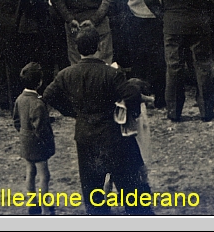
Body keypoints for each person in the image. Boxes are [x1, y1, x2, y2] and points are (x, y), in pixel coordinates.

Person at [42, 24, 145, 215]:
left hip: (84, 135)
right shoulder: (111, 74)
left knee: (92, 186)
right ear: (99, 46)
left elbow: (48, 96)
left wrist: (72, 112)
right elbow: (131, 94)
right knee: (127, 182)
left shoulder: (66, 75)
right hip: (112, 134)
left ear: (77, 48)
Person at [13, 63, 56, 216]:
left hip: (25, 142)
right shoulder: (38, 102)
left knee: (30, 172)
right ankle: (46, 210)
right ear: (39, 82)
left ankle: (32, 204)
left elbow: (16, 121)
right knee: (44, 176)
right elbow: (41, 128)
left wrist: (24, 133)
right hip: (38, 144)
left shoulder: (19, 99)